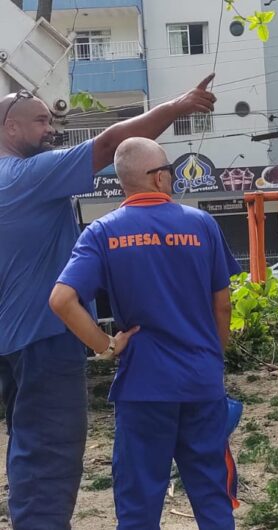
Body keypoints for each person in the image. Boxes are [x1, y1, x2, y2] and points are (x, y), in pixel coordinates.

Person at [0, 76, 216, 529]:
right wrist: (179, 104)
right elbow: (112, 144)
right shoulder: (25, 176)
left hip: (12, 339)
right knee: (49, 450)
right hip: (44, 338)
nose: (51, 129)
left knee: (25, 444)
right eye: (41, 121)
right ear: (10, 129)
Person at [49, 137, 241, 530]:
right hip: (200, 383)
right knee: (212, 492)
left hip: (143, 384)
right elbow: (222, 305)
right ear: (157, 178)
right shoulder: (201, 224)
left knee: (139, 500)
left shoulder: (102, 233)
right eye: (169, 170)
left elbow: (62, 300)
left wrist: (105, 346)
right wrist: (213, 357)